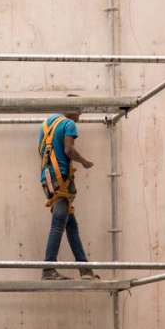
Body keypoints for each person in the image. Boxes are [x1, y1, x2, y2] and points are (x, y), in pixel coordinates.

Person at [38, 109, 99, 281]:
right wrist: (85, 162)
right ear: (72, 109)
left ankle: (85, 270)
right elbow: (69, 150)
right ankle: (48, 269)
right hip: (60, 179)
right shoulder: (69, 124)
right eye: (79, 111)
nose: (80, 115)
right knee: (58, 224)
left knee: (71, 226)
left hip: (47, 179)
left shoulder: (46, 124)